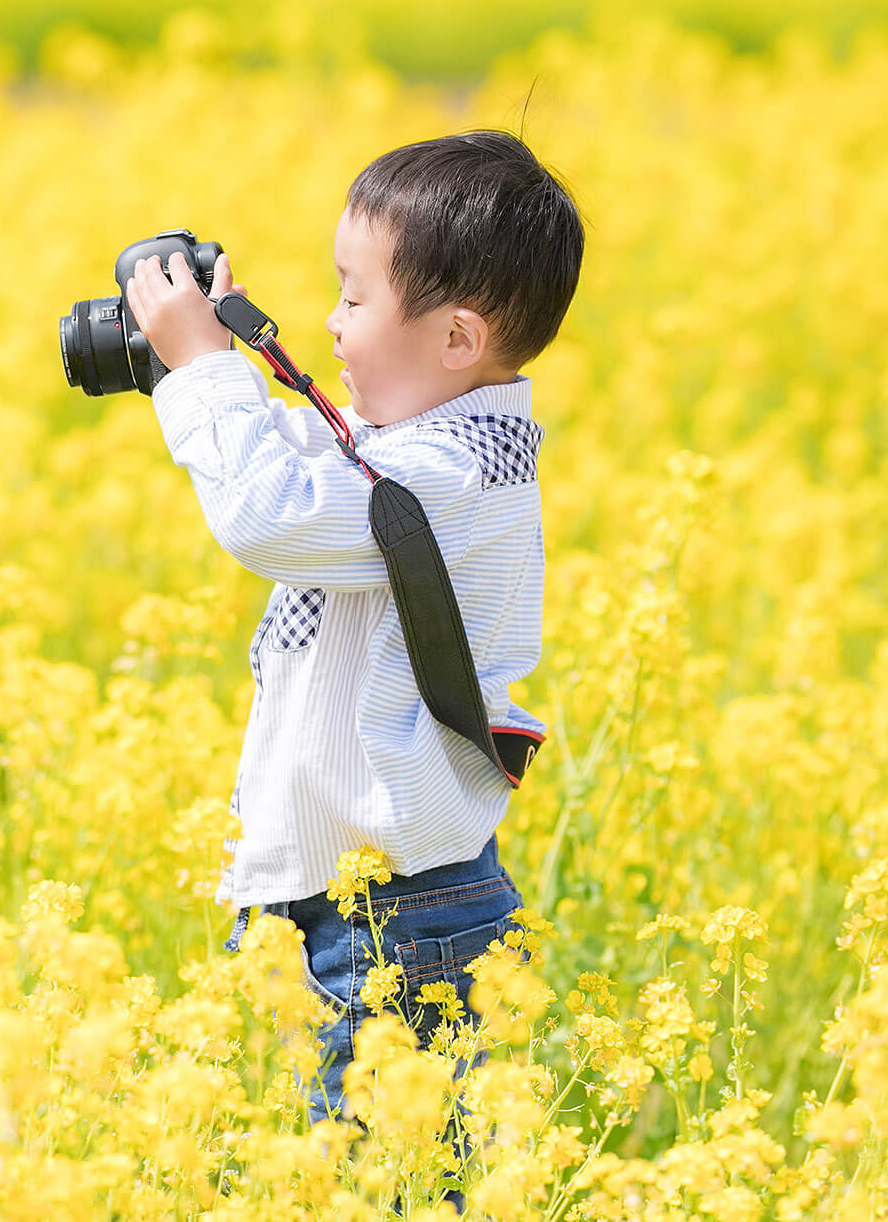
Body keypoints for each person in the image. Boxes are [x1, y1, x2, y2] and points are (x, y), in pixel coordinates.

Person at [125, 129, 583, 1124]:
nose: (327, 323)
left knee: (390, 1183)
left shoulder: (456, 472)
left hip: (393, 920)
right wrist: (197, 351)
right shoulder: (413, 449)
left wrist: (203, 367)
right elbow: (310, 457)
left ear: (457, 339)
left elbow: (272, 510)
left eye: (352, 296)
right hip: (343, 907)